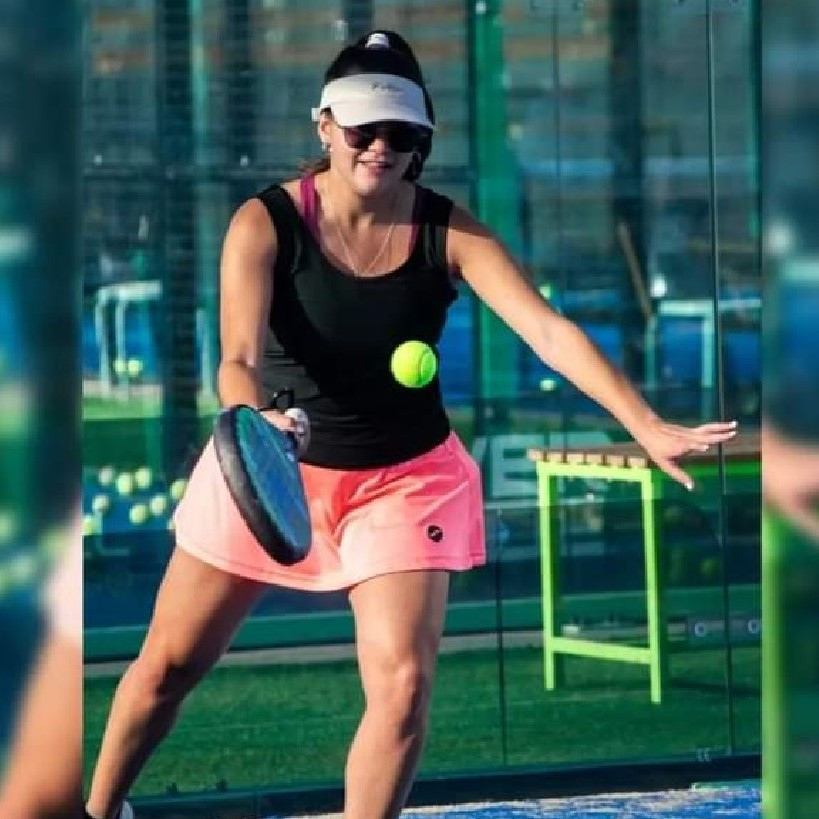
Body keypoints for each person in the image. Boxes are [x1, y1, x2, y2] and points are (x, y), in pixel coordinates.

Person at [84, 29, 737, 819]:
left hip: (405, 479)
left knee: (402, 689)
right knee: (167, 667)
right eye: (364, 129)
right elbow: (237, 358)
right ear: (325, 125)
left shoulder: (449, 229)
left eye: (401, 132)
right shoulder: (263, 224)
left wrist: (645, 421)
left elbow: (548, 332)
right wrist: (257, 422)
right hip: (266, 469)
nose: (381, 147)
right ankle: (97, 809)